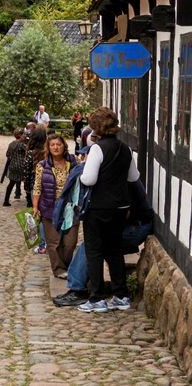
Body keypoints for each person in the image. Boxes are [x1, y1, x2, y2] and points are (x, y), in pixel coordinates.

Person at [77, 107, 141, 313]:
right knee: (114, 250)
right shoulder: (126, 148)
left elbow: (89, 179)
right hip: (121, 207)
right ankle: (121, 295)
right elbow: (133, 177)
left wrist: (80, 173)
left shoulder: (97, 149)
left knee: (94, 251)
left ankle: (97, 298)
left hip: (99, 207)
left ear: (96, 127)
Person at [54, 179, 153, 307]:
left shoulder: (121, 180)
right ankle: (111, 291)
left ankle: (78, 291)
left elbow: (124, 214)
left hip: (136, 227)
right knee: (93, 244)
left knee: (91, 245)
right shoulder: (115, 173)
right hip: (128, 225)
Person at [33, 133, 81, 278]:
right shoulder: (42, 166)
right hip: (50, 207)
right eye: (52, 145)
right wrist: (35, 207)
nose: (55, 147)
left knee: (70, 243)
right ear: (48, 147)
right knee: (54, 243)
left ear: (64, 146)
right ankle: (59, 270)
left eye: (58, 144)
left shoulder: (73, 162)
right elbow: (37, 187)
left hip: (71, 207)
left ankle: (65, 266)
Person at [3, 128, 28, 205]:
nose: (25, 135)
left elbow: (7, 155)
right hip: (22, 166)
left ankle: (6, 201)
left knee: (11, 183)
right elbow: (28, 152)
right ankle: (29, 202)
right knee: (27, 183)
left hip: (13, 166)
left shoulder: (11, 144)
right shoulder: (22, 144)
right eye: (23, 134)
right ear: (20, 135)